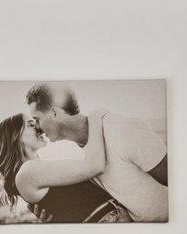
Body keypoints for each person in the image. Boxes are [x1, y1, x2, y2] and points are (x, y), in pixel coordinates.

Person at [16, 83, 167, 221]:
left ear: (54, 112)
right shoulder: (78, 156)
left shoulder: (122, 130)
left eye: (37, 119)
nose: (37, 127)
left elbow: (174, 180)